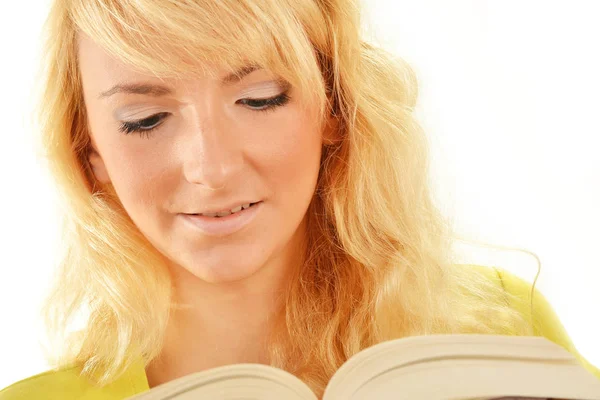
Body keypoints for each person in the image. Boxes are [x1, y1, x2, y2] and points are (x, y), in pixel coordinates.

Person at [1, 0, 598, 399]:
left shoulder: (499, 324)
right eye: (145, 118)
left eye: (260, 98)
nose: (211, 167)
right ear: (90, 153)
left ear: (334, 107)